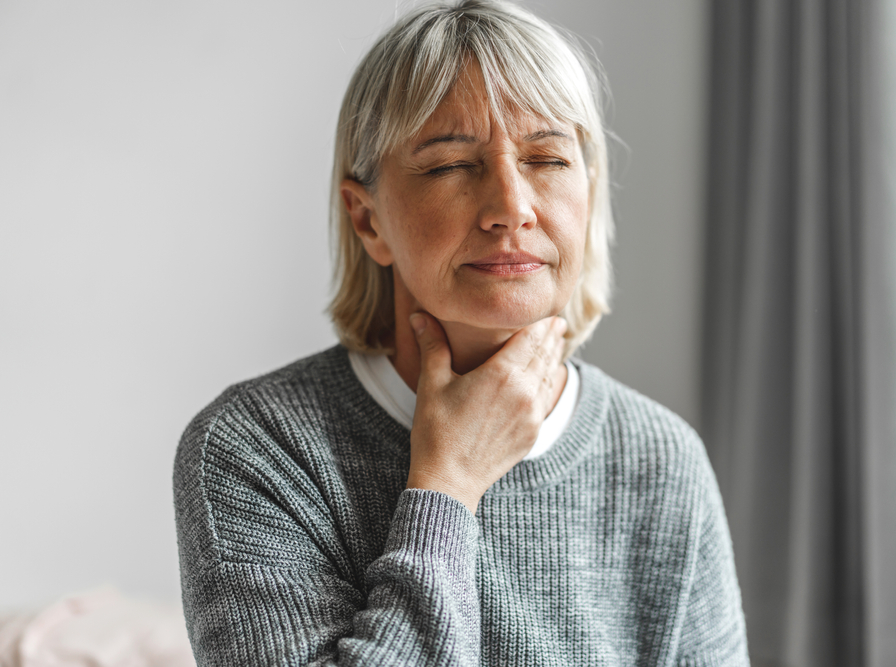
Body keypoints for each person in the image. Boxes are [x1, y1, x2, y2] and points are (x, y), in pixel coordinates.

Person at [173, 1, 749, 665]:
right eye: (450, 165)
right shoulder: (255, 448)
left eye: (549, 160)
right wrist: (448, 482)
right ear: (368, 220)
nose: (511, 208)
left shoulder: (661, 458)